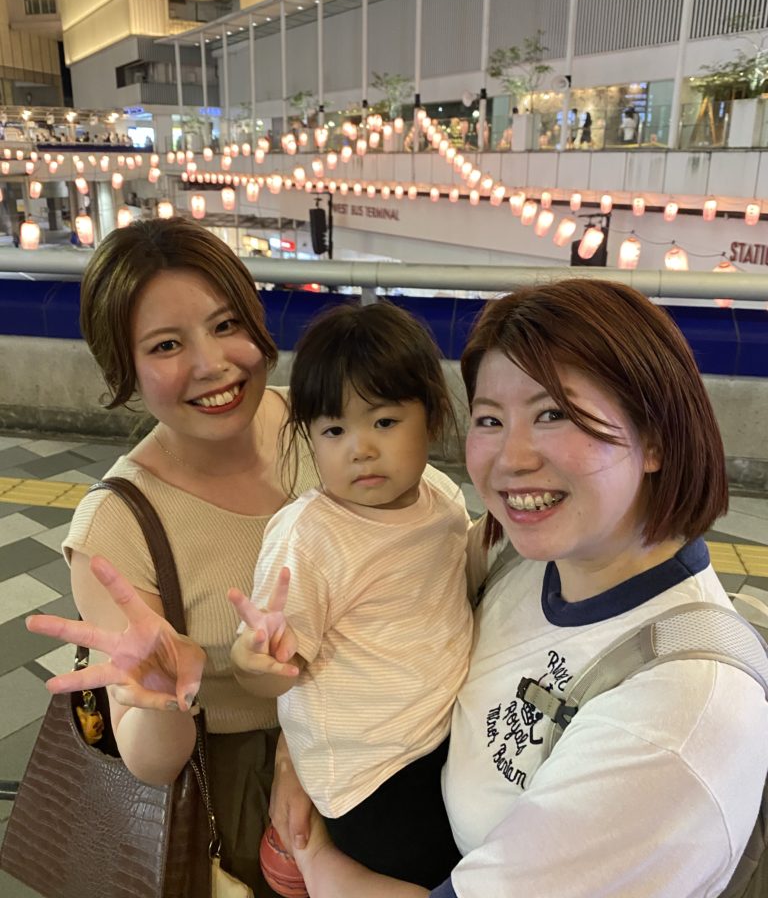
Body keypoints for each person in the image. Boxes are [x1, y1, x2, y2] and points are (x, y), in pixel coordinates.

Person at [275, 279, 768, 898]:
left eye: (552, 414)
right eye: (490, 419)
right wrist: (297, 757)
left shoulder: (675, 721)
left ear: (656, 439)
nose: (510, 458)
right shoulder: (519, 554)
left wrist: (316, 858)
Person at [26, 217, 320, 897]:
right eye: (166, 344)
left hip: (378, 735)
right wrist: (163, 696)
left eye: (226, 325)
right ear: (124, 368)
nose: (212, 365)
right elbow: (149, 762)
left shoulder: (319, 422)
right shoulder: (117, 526)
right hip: (239, 794)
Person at [229, 303, 472, 890]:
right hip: (371, 771)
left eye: (384, 422)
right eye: (334, 431)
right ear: (309, 438)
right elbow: (266, 675)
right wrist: (255, 661)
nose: (359, 448)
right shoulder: (308, 538)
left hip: (446, 733)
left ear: (432, 417)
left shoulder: (442, 497)